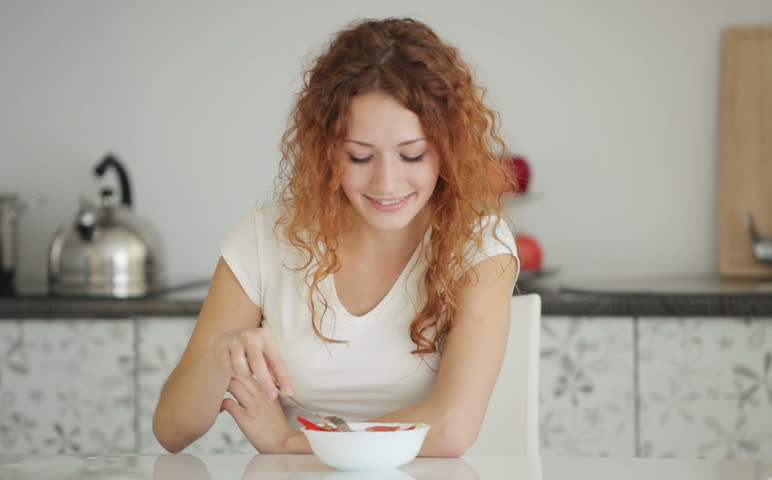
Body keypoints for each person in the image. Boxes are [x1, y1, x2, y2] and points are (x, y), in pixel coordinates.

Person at [152, 16, 520, 458]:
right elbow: (171, 430)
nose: (387, 183)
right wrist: (220, 356)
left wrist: (292, 443)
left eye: (412, 154)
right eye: (360, 157)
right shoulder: (267, 236)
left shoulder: (479, 244)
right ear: (327, 151)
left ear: (448, 148)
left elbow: (453, 428)